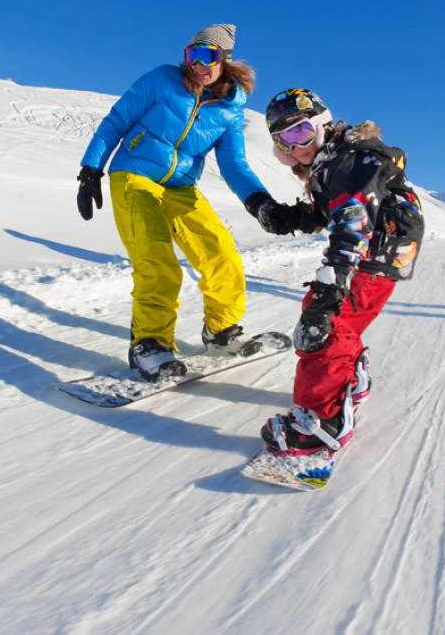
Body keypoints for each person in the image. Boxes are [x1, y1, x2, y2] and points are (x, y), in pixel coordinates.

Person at [76, 24, 269, 380]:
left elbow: (234, 164)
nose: (196, 64)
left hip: (181, 187)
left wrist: (258, 200)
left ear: (224, 60)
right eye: (191, 54)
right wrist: (91, 168)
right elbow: (117, 119)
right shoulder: (162, 80)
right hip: (134, 176)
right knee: (157, 260)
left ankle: (221, 330)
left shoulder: (229, 110)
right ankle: (149, 344)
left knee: (221, 253)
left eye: (206, 56)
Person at [244, 88, 424, 456]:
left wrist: (334, 280)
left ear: (321, 125)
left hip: (376, 245)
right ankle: (351, 378)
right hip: (386, 247)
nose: (296, 147)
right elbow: (333, 210)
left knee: (323, 323)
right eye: (284, 140)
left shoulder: (346, 160)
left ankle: (322, 421)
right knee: (343, 321)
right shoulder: (334, 161)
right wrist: (291, 217)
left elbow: (354, 216)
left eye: (301, 132)